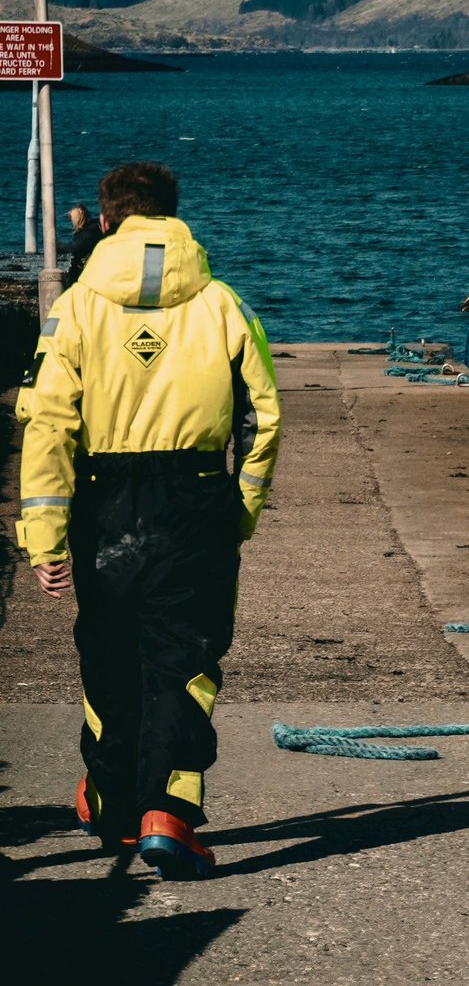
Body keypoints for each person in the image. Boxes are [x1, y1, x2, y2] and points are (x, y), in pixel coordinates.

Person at [16, 162, 281, 879]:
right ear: (173, 215)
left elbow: (45, 424)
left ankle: (110, 802)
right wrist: (242, 509)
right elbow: (264, 416)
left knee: (107, 655)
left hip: (104, 501)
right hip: (195, 500)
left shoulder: (73, 310)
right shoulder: (225, 304)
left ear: (106, 223)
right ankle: (167, 811)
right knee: (184, 661)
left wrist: (43, 537)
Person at [64, 202, 103, 287]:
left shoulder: (88, 232)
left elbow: (76, 248)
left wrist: (58, 247)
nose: (71, 220)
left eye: (72, 218)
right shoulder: (92, 228)